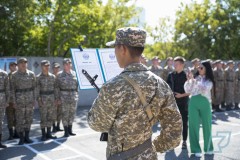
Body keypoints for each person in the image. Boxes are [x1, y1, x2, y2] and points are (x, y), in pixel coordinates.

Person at [88, 27, 182, 160]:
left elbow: (97, 123)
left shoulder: (112, 86)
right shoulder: (161, 84)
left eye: (115, 47)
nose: (114, 52)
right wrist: (150, 148)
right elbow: (174, 134)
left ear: (123, 49)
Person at [184, 60, 214, 157]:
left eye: (201, 68)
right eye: (198, 68)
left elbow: (204, 89)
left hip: (205, 103)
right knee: (193, 126)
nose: (199, 69)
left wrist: (194, 81)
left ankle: (209, 148)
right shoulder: (194, 78)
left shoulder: (209, 81)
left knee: (207, 126)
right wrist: (189, 81)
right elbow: (187, 90)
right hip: (193, 102)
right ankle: (196, 149)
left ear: (206, 69)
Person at [10, 57, 36, 145]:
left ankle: (27, 137)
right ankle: (21, 138)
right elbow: (12, 89)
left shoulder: (31, 74)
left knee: (29, 119)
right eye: (21, 63)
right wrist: (14, 101)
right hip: (19, 101)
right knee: (20, 119)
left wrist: (34, 99)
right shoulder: (14, 75)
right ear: (18, 65)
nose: (23, 64)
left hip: (29, 100)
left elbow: (34, 88)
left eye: (25, 62)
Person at [167, 56, 189, 149]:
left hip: (184, 102)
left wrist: (181, 95)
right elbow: (167, 88)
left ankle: (184, 141)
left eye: (176, 64)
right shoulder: (171, 75)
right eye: (174, 64)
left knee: (184, 122)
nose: (174, 65)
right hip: (173, 103)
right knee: (173, 123)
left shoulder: (186, 76)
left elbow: (191, 90)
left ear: (182, 65)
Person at [56, 58, 78, 137]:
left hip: (73, 96)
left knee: (72, 114)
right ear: (63, 65)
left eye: (69, 64)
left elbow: (76, 85)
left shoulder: (74, 73)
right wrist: (58, 98)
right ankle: (65, 131)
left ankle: (70, 129)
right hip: (63, 97)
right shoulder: (59, 74)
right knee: (65, 114)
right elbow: (57, 87)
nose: (68, 65)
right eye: (66, 64)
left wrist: (77, 94)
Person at [36, 60, 58, 141]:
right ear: (41, 66)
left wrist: (56, 98)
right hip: (43, 99)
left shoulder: (53, 76)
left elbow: (56, 88)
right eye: (45, 65)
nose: (47, 67)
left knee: (50, 117)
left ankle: (49, 133)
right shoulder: (38, 77)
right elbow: (37, 90)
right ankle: (43, 134)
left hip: (51, 98)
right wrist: (38, 99)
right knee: (43, 117)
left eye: (48, 65)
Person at [6, 62, 19, 140]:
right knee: (10, 118)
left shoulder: (18, 76)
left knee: (17, 117)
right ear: (9, 67)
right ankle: (11, 134)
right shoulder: (6, 76)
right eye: (12, 66)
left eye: (15, 65)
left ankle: (16, 133)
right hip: (9, 101)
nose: (14, 67)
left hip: (18, 100)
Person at [51, 62, 63, 132]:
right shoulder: (51, 76)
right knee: (53, 113)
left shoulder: (61, 76)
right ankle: (54, 127)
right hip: (53, 97)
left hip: (61, 97)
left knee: (59, 113)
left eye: (58, 68)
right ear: (53, 69)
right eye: (55, 68)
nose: (56, 69)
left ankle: (58, 126)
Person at [0, 69, 9, 148]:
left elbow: (7, 88)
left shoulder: (3, 74)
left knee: (0, 121)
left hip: (1, 101)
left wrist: (7, 101)